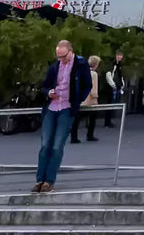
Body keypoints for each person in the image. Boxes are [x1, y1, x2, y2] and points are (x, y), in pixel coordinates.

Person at [36, 39, 91, 193]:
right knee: (45, 144)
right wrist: (49, 92)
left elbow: (87, 85)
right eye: (58, 56)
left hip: (67, 107)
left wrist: (77, 100)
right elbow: (45, 86)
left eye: (63, 56)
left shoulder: (80, 64)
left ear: (70, 51)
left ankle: (49, 181)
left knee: (57, 145)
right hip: (52, 107)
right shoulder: (54, 67)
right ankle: (40, 179)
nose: (60, 60)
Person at [70, 55, 101, 143]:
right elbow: (93, 88)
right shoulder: (94, 74)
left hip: (80, 99)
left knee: (77, 119)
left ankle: (74, 137)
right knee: (92, 119)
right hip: (90, 100)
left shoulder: (81, 72)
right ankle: (90, 135)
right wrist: (95, 97)